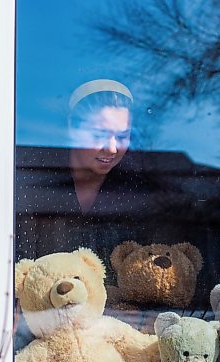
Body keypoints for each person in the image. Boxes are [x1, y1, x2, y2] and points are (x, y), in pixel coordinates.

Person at [15, 79, 164, 281]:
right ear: (72, 127)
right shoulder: (32, 180)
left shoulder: (137, 189)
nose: (111, 148)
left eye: (122, 136)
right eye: (99, 134)